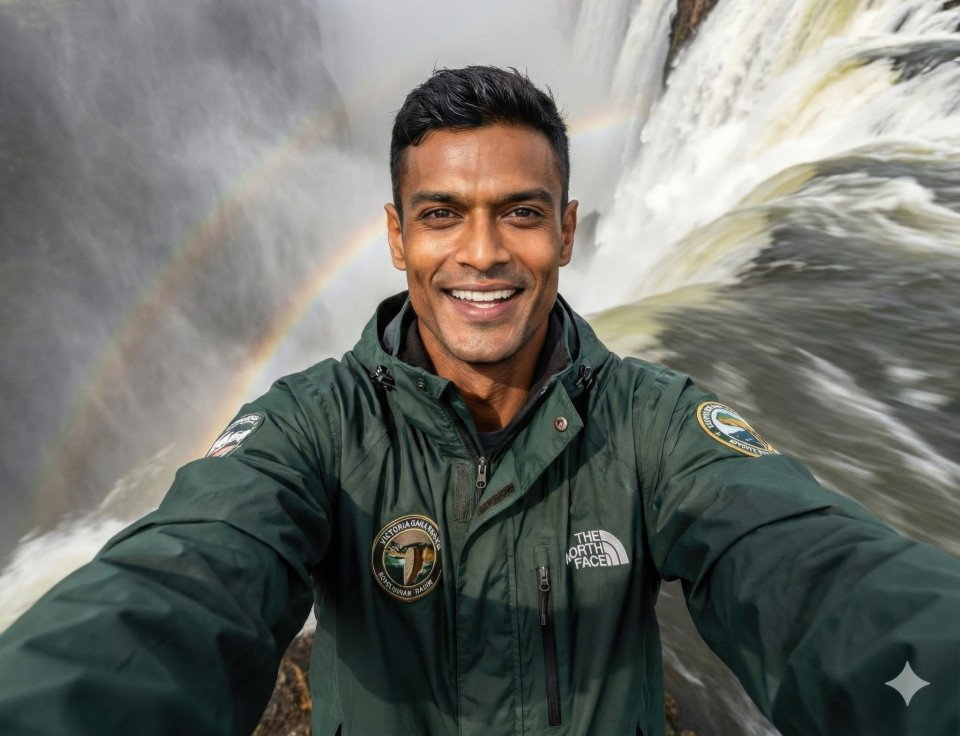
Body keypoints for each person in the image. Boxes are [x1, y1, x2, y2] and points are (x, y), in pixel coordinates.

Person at [0, 65, 957, 736]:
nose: (484, 252)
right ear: (397, 237)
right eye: (443, 214)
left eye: (521, 213)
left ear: (568, 230)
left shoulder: (656, 426)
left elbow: (810, 569)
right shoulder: (311, 428)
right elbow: (181, 580)